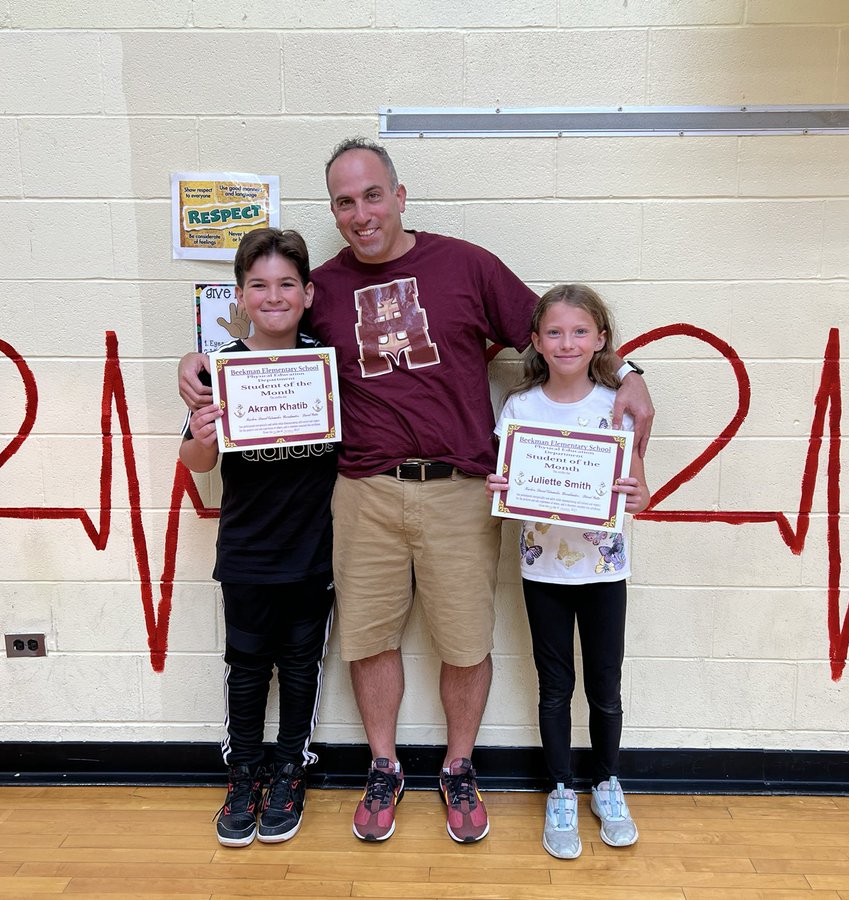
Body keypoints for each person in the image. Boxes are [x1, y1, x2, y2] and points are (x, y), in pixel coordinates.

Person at [178, 137, 655, 844]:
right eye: (345, 201)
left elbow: (560, 332)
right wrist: (198, 359)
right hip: (362, 490)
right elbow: (266, 337)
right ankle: (383, 766)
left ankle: (458, 766)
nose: (361, 213)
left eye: (373, 195)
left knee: (464, 641)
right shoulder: (324, 289)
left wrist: (632, 368)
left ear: (399, 196)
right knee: (370, 638)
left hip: (459, 487)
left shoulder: (467, 266)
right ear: (334, 212)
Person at [179, 228, 337, 847]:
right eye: (259, 286)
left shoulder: (328, 363)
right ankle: (243, 774)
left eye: (286, 284)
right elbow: (195, 463)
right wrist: (201, 429)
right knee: (245, 670)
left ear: (307, 293)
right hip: (246, 554)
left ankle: (289, 770)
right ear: (240, 297)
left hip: (313, 552)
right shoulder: (219, 371)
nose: (273, 296)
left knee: (301, 668)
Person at [486, 284, 649, 860]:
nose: (567, 342)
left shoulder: (616, 404)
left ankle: (607, 781)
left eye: (580, 331)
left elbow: (642, 497)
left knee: (605, 688)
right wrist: (502, 488)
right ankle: (560, 789)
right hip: (543, 572)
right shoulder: (519, 409)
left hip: (605, 571)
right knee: (554, 688)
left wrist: (632, 490)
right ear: (534, 341)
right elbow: (503, 490)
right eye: (554, 332)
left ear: (601, 339)